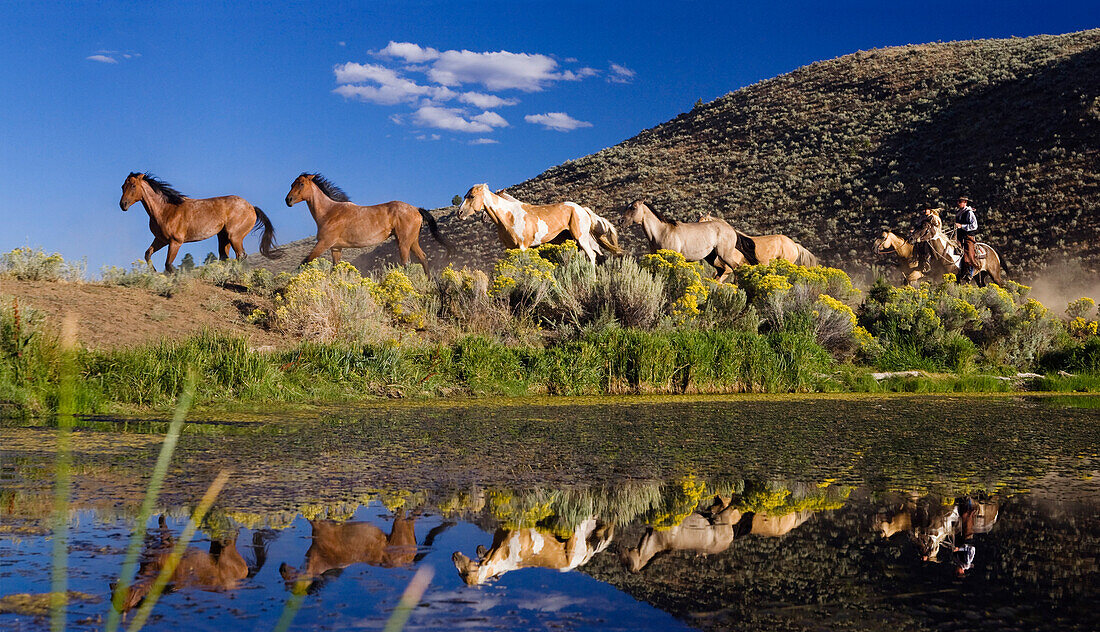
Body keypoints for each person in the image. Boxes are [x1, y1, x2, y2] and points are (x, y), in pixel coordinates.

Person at [909, 207, 943, 273]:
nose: (924, 211)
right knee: (916, 243)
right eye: (924, 209)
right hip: (924, 234)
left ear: (930, 210)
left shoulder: (934, 217)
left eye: (926, 209)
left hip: (934, 235)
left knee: (926, 242)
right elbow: (920, 227)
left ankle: (928, 259)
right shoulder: (923, 218)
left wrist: (924, 237)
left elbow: (936, 228)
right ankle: (915, 258)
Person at [954, 196, 979, 280]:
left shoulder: (969, 212)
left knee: (968, 252)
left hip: (968, 237)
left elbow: (974, 225)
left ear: (965, 203)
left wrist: (962, 226)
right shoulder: (958, 213)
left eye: (960, 202)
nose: (958, 203)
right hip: (959, 236)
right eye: (958, 201)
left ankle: (970, 272)